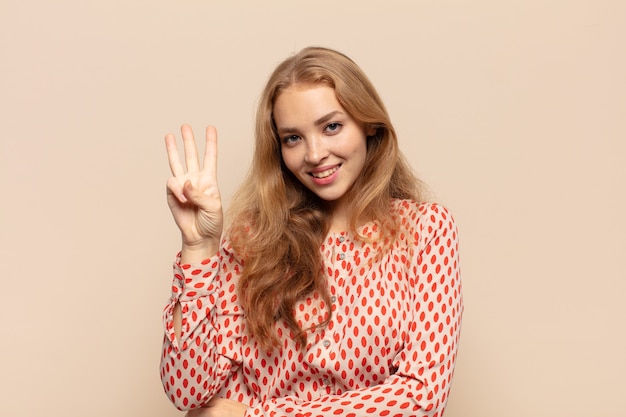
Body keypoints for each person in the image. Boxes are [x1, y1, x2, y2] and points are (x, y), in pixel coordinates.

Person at [160, 46, 462, 417]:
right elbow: (187, 392)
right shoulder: (253, 239)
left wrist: (255, 415)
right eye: (293, 138)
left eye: (331, 127)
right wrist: (199, 248)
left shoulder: (425, 230)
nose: (314, 153)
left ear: (368, 123)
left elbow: (420, 396)